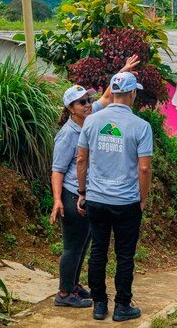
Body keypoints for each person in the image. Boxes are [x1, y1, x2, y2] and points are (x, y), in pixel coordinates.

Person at [49, 56, 140, 308]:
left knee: (85, 243)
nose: (88, 104)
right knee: (72, 246)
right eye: (82, 102)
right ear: (70, 108)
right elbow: (57, 170)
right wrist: (58, 201)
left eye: (88, 100)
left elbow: (109, 96)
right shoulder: (68, 134)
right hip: (71, 194)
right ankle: (64, 294)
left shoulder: (93, 117)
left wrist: (121, 73)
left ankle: (75, 285)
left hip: (88, 194)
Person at [76, 71, 153, 322]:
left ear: (113, 91)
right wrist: (142, 198)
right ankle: (122, 306)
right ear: (132, 93)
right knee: (124, 255)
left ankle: (99, 305)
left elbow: (81, 160)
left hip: (97, 200)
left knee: (98, 252)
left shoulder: (91, 121)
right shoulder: (141, 127)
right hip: (126, 202)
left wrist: (82, 192)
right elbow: (144, 168)